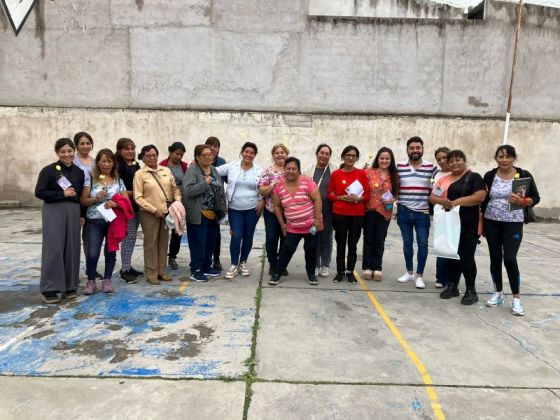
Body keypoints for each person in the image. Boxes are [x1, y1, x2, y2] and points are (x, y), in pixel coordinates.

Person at [482, 145, 540, 316]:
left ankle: (516, 297)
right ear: (496, 158)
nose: (504, 160)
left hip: (513, 223)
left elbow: (536, 198)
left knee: (509, 258)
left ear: (514, 158)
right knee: (495, 257)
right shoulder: (490, 175)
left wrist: (524, 201)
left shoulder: (523, 175)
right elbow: (484, 197)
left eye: (508, 156)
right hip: (491, 221)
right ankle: (498, 292)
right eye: (501, 156)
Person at [429, 150, 486, 304]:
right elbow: (432, 197)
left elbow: (479, 196)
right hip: (449, 224)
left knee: (467, 257)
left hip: (469, 224)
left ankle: (470, 290)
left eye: (457, 160)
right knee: (450, 256)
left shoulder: (474, 177)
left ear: (464, 160)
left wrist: (456, 202)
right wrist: (443, 202)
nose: (454, 163)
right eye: (451, 161)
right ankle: (452, 285)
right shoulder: (444, 180)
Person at [35, 138, 85, 304]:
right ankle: (50, 287)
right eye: (63, 151)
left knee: (72, 247)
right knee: (54, 248)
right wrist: (61, 195)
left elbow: (80, 195)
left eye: (70, 151)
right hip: (53, 210)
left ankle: (70, 285)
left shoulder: (78, 172)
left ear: (74, 151)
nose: (67, 154)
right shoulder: (49, 171)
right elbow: (40, 192)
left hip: (73, 211)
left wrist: (81, 214)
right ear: (57, 153)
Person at [80, 149, 128, 295]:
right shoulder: (91, 179)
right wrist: (95, 198)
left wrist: (115, 203)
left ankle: (107, 280)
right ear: (98, 162)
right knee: (93, 253)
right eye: (103, 161)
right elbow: (82, 200)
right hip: (94, 221)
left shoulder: (118, 180)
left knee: (110, 251)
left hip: (112, 222)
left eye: (109, 161)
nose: (106, 164)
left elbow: (125, 200)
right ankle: (91, 280)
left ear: (114, 163)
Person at [269, 157, 323, 286]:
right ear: (284, 169)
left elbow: (317, 200)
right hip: (293, 226)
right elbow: (276, 205)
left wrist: (316, 220)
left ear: (299, 170)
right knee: (287, 249)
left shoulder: (307, 183)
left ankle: (311, 274)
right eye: (288, 168)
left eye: (294, 168)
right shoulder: (279, 186)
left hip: (311, 225)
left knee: (310, 248)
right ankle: (277, 273)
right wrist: (282, 224)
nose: (291, 171)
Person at [215, 142, 265, 279]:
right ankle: (233, 264)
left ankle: (243, 263)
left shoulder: (259, 170)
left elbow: (264, 187)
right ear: (242, 152)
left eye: (252, 153)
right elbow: (214, 171)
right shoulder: (232, 166)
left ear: (255, 155)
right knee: (236, 236)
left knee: (248, 236)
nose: (249, 155)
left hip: (252, 209)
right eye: (246, 152)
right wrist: (195, 165)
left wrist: (262, 200)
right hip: (234, 209)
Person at [133, 145, 181, 285]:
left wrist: (177, 202)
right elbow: (138, 197)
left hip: (166, 213)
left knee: (163, 243)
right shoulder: (140, 174)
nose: (152, 158)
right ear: (142, 157)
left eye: (154, 155)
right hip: (149, 214)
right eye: (148, 156)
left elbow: (175, 189)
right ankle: (151, 273)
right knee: (150, 243)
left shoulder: (166, 170)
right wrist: (153, 210)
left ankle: (162, 271)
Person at [396, 136, 437, 289]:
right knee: (407, 244)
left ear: (422, 149)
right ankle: (409, 272)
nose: (415, 150)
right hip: (404, 211)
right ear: (407, 150)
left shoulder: (431, 167)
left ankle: (419, 276)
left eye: (417, 148)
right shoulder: (399, 166)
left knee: (422, 245)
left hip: (422, 212)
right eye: (412, 148)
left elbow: (442, 180)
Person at [183, 144, 227, 282]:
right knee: (198, 243)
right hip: (198, 213)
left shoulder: (213, 169)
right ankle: (196, 270)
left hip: (213, 214)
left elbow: (220, 189)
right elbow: (188, 191)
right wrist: (205, 183)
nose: (209, 157)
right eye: (206, 155)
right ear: (197, 157)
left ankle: (207, 266)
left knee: (210, 242)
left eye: (211, 154)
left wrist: (223, 211)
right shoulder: (192, 171)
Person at [328, 145, 370, 284]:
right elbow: (330, 194)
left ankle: (350, 271)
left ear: (357, 158)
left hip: (357, 214)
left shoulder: (361, 174)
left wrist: (359, 199)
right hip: (340, 213)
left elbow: (368, 194)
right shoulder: (336, 174)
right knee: (340, 243)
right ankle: (340, 272)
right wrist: (341, 197)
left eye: (353, 156)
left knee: (353, 244)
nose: (351, 158)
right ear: (343, 157)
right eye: (348, 155)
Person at [362, 147, 398, 281]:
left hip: (385, 212)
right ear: (378, 158)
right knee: (368, 239)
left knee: (380, 240)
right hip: (369, 210)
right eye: (382, 158)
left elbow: (397, 193)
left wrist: (393, 199)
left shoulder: (395, 175)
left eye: (387, 158)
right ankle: (367, 267)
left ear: (391, 160)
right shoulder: (369, 172)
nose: (384, 160)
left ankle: (377, 268)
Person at [304, 144, 336, 278]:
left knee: (327, 238)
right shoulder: (308, 171)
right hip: (312, 210)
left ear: (329, 156)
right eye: (321, 153)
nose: (324, 156)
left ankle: (325, 265)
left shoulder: (335, 170)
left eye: (327, 153)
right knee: (314, 237)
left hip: (329, 210)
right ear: (316, 154)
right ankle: (315, 264)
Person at [115, 138, 143, 283]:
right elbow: (119, 190)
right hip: (125, 207)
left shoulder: (135, 164)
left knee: (131, 237)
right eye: (127, 149)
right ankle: (125, 270)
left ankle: (128, 266)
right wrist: (136, 193)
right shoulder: (117, 166)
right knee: (128, 237)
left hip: (136, 205)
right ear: (120, 150)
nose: (131, 151)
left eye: (133, 148)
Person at [259, 143, 290, 275]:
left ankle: (281, 265)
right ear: (273, 155)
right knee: (271, 237)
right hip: (271, 210)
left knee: (286, 238)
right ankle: (273, 264)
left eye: (282, 152)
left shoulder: (291, 169)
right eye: (277, 152)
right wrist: (272, 185)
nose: (280, 154)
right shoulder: (267, 171)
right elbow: (262, 191)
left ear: (286, 154)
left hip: (288, 211)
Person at [160, 141, 188, 270]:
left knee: (177, 230)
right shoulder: (161, 166)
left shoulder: (184, 166)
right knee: (163, 230)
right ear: (170, 152)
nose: (179, 157)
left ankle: (172, 256)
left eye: (181, 155)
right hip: (165, 202)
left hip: (180, 202)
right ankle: (159, 257)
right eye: (177, 154)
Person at [205, 136, 227, 271]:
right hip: (203, 203)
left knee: (216, 233)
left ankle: (216, 259)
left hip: (217, 203)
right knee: (202, 233)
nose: (213, 148)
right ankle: (203, 259)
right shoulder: (199, 160)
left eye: (216, 146)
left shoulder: (222, 162)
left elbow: (228, 180)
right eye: (210, 145)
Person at [433, 147, 451, 289]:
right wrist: (443, 202)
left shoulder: (461, 173)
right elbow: (434, 196)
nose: (442, 161)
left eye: (445, 158)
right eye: (439, 159)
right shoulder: (437, 175)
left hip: (457, 214)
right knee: (441, 244)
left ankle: (453, 278)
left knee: (455, 246)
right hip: (441, 213)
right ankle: (440, 277)